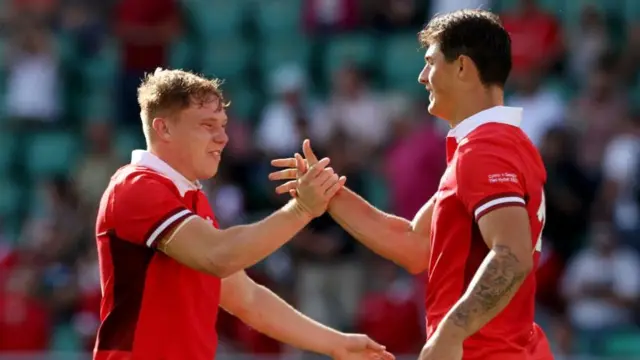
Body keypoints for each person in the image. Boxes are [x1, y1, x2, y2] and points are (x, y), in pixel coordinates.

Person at [269, 9, 554, 360]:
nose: (421, 77)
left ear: (463, 67)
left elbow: (511, 256)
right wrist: (330, 194)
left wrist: (450, 333)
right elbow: (415, 246)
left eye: (431, 62)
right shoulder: (491, 144)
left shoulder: (486, 149)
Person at [93, 68, 394, 360]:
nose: (222, 138)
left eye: (222, 125)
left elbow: (247, 297)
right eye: (207, 125)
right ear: (164, 128)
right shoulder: (136, 187)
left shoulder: (189, 196)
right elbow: (219, 255)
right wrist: (302, 209)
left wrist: (335, 343)